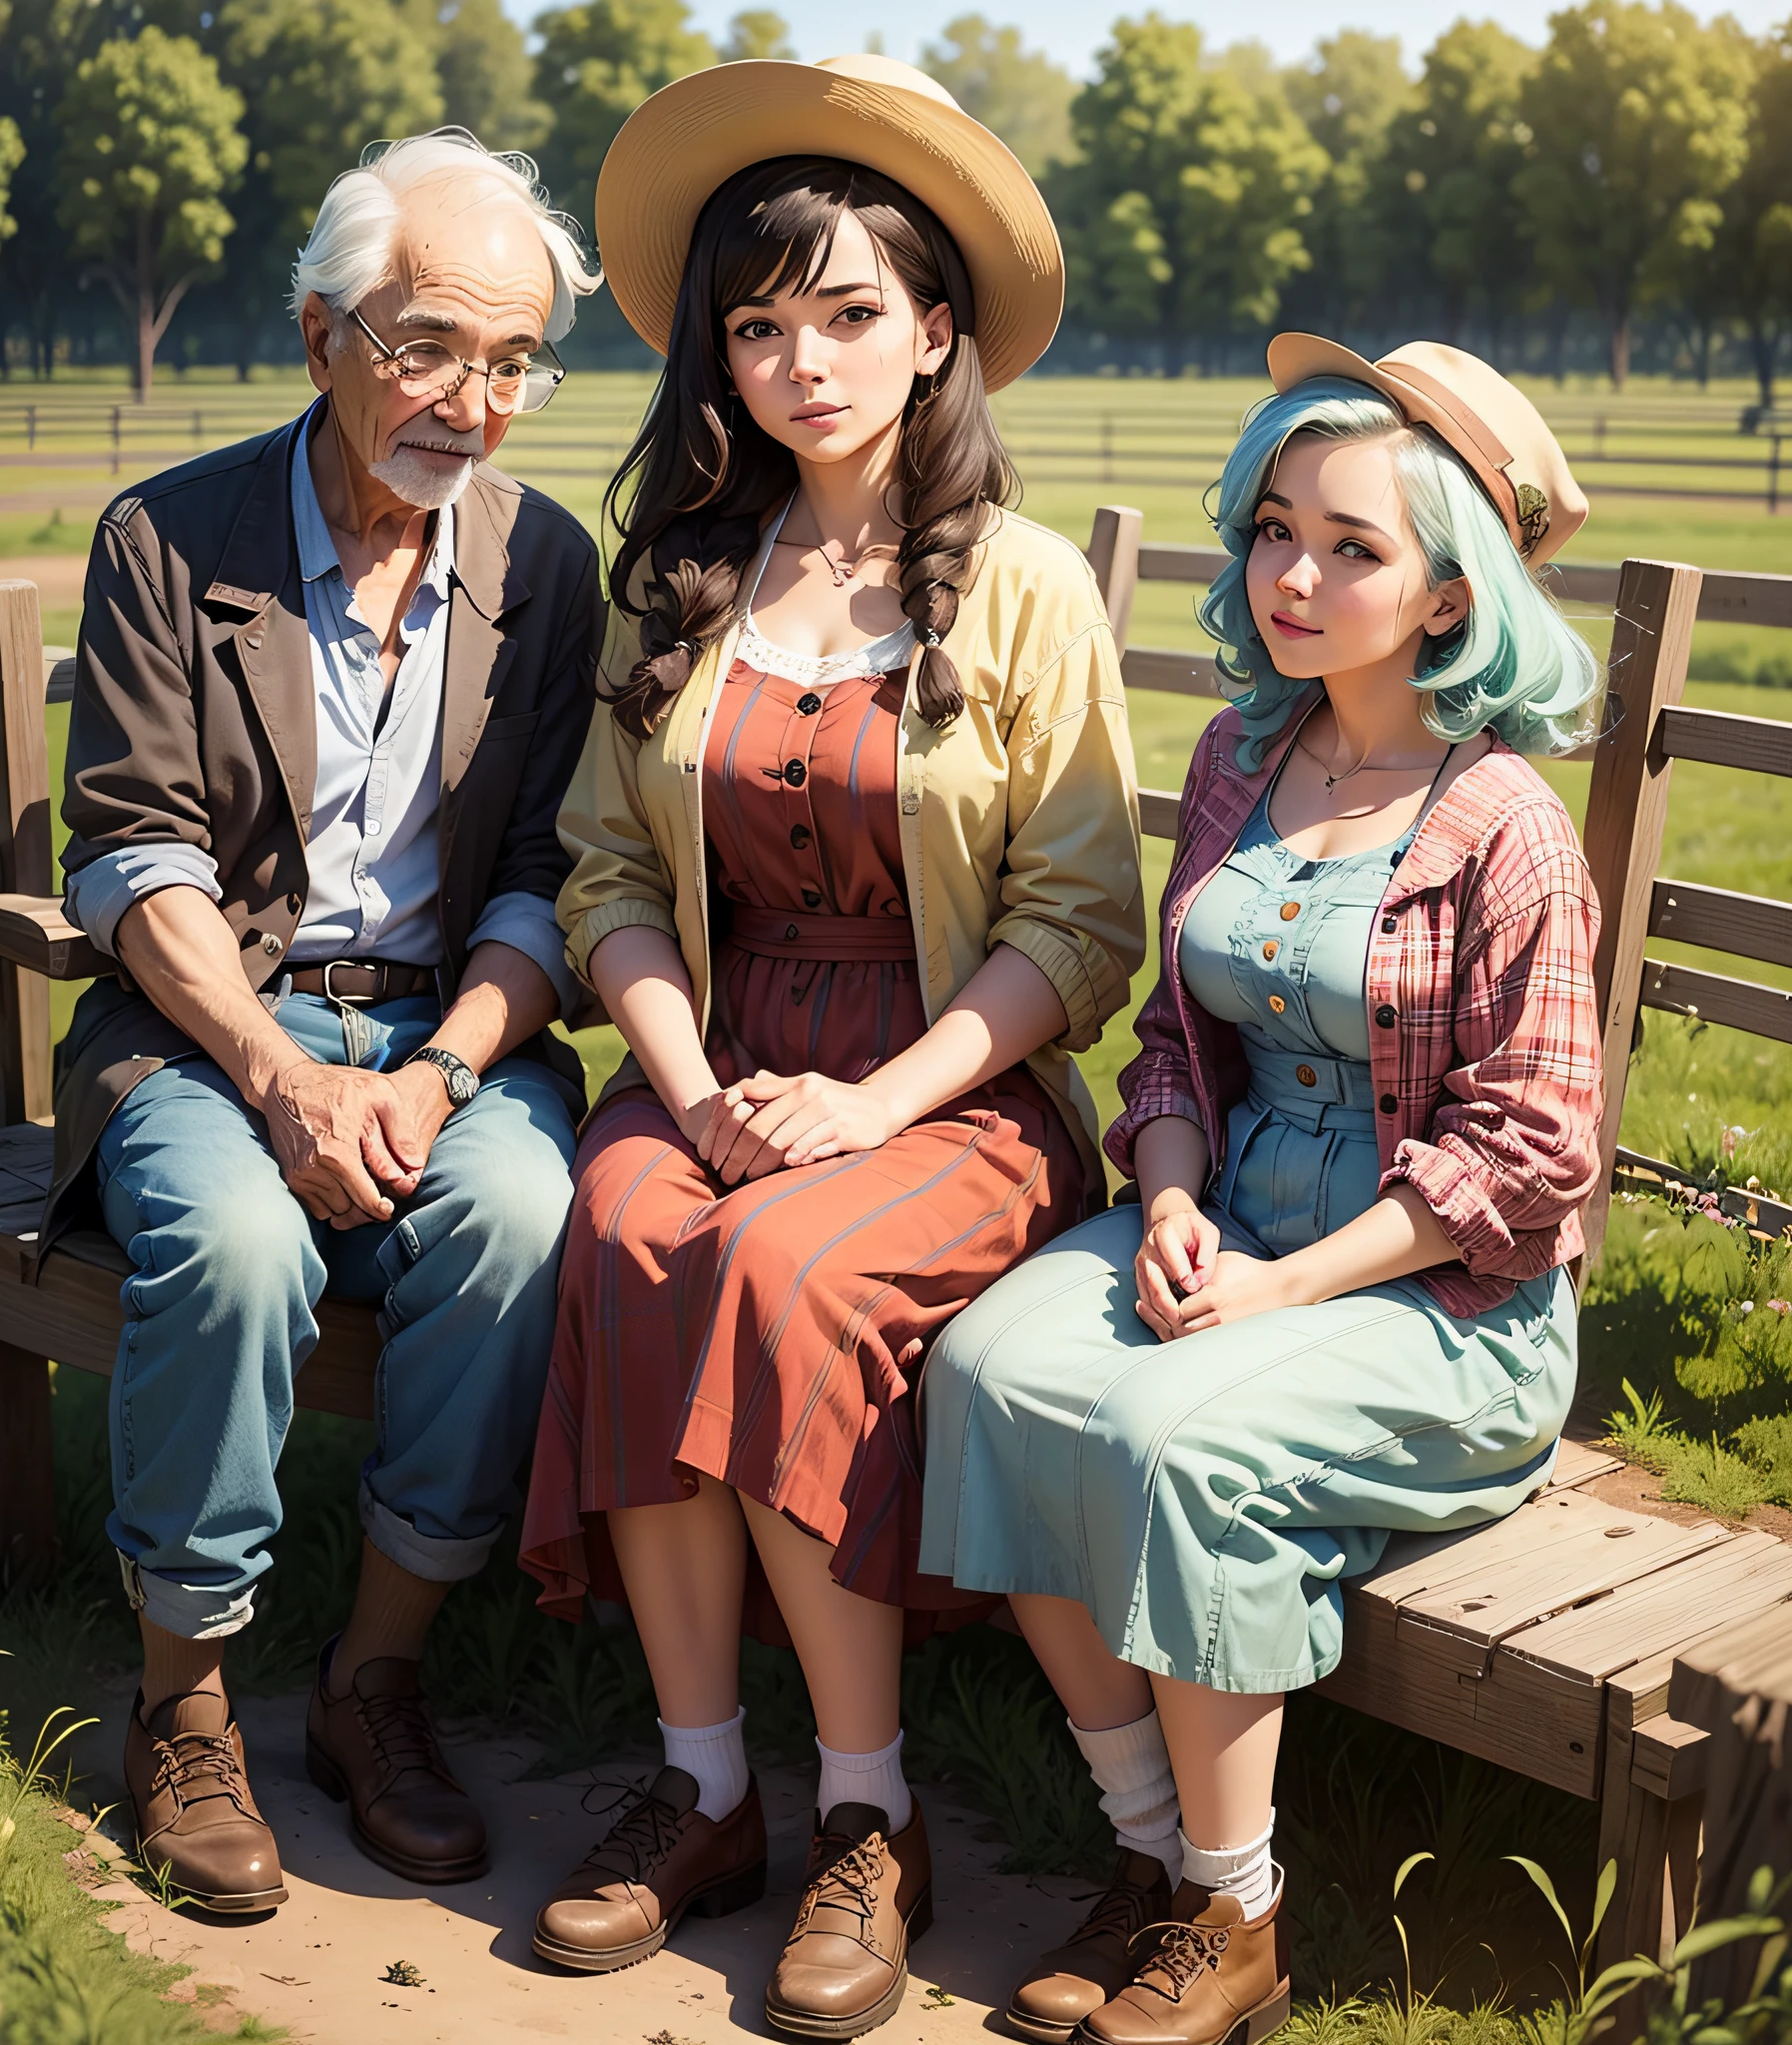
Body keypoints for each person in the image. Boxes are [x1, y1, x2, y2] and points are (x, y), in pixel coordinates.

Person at [516, 55, 1146, 2040]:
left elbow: (1079, 918)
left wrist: (866, 1102)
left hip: (950, 1078)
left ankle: (869, 1813)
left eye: (851, 314)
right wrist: (691, 1089)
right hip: (716, 1053)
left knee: (791, 1267)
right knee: (629, 1236)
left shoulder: (1028, 591)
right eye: (759, 324)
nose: (803, 363)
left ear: (937, 327)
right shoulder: (685, 579)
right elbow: (608, 867)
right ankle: (706, 1785)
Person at [921, 337, 1606, 2045]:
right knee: (990, 1372)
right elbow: (1173, 1047)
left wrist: (1282, 1289)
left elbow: (1526, 1152)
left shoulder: (1505, 823)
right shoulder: (1248, 758)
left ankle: (1244, 1915)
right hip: (1225, 1235)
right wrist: (1165, 1197)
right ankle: (1158, 1862)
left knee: (1170, 1440)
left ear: (1450, 596)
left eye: (1355, 546)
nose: (1293, 575)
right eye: (1274, 527)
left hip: (1442, 1307)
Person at [44, 130, 605, 1912]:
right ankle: (186, 1701)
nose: (474, 401)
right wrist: (282, 1076)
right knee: (230, 1242)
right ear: (319, 337)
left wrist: (442, 1075)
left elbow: (545, 875)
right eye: (429, 343)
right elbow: (133, 855)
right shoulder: (169, 536)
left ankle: (377, 1678)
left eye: (516, 361)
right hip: (218, 1031)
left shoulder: (546, 564)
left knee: (525, 1215)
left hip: (453, 1031)